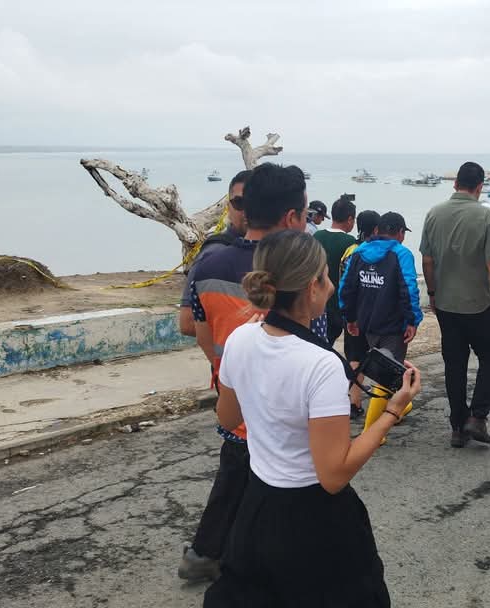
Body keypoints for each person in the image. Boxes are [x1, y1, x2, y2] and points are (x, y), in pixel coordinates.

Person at [204, 230, 422, 606]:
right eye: (326, 276)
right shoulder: (321, 365)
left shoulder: (240, 338)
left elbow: (227, 417)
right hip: (313, 520)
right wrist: (391, 411)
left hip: (257, 507)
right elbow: (334, 475)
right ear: (311, 288)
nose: (332, 285)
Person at [178, 163, 309, 582]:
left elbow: (194, 329)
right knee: (276, 492)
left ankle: (207, 554)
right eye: (305, 214)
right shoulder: (295, 271)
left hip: (232, 398)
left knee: (236, 474)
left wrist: (229, 372)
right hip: (282, 409)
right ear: (291, 216)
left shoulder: (207, 263)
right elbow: (312, 341)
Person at [420, 161, 490, 448]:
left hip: (446, 304)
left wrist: (432, 293)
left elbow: (427, 260)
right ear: (479, 186)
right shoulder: (485, 215)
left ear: (455, 183)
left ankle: (458, 426)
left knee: (455, 364)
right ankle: (478, 416)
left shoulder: (434, 214)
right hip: (480, 303)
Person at [339, 211, 422, 441]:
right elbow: (409, 289)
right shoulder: (401, 253)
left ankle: (399, 409)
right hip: (393, 325)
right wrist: (412, 320)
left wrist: (350, 317)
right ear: (400, 232)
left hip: (368, 324)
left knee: (386, 370)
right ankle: (372, 432)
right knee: (387, 375)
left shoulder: (359, 252)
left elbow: (346, 288)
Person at [179, 170, 252, 336]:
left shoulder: (275, 253)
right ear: (228, 207)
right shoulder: (214, 253)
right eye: (239, 203)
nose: (247, 210)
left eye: (254, 202)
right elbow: (187, 323)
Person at [341, 210, 382, 418]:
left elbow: (345, 284)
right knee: (383, 359)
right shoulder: (374, 253)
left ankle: (352, 401)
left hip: (352, 313)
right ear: (376, 229)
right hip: (372, 314)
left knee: (355, 357)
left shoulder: (350, 250)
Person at [313, 195, 358, 345]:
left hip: (315, 301)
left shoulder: (317, 236)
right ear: (350, 219)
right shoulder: (350, 242)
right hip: (336, 304)